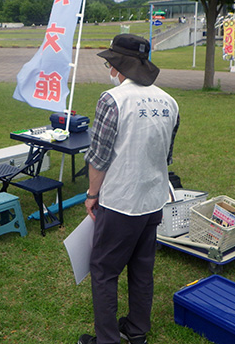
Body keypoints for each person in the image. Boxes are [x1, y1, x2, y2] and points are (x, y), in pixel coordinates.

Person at [78, 34, 180, 344]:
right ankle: (137, 331)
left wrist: (92, 194)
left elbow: (98, 156)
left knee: (104, 271)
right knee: (141, 268)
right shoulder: (170, 101)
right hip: (153, 200)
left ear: (116, 65)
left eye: (110, 63)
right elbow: (167, 155)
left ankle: (106, 339)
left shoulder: (113, 99)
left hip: (120, 201)